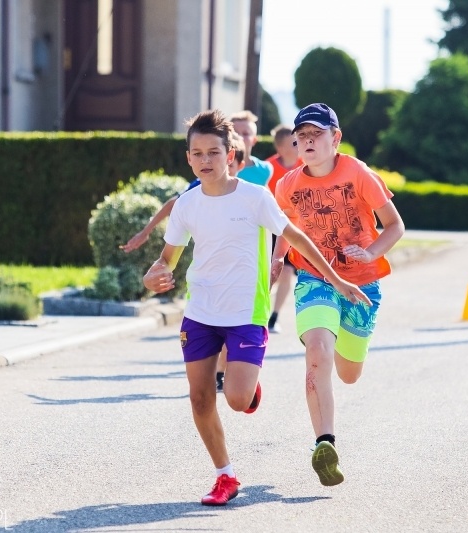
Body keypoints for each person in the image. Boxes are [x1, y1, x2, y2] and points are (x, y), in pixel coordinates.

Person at [143, 109, 369, 506]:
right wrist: (154, 276)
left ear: (231, 154)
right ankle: (224, 475)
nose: (205, 161)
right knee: (199, 398)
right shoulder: (187, 205)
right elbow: (167, 259)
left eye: (213, 152)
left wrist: (337, 279)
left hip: (246, 314)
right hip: (200, 312)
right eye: (196, 153)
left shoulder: (255, 198)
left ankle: (246, 389)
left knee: (237, 399)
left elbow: (297, 238)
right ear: (188, 158)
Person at [272, 103, 405, 487]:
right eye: (303, 136)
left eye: (317, 134)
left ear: (336, 138)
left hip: (362, 284)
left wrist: (372, 252)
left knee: (348, 373)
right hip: (315, 278)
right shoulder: (288, 185)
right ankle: (324, 443)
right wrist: (279, 257)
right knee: (316, 350)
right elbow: (287, 227)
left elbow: (395, 226)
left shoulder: (358, 174)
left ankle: (346, 363)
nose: (308, 142)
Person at [123, 133, 248, 392]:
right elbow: (174, 204)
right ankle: (219, 373)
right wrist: (146, 232)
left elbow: (281, 227)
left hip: (240, 282)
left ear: (235, 161)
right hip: (205, 272)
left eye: (218, 155)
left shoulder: (249, 195)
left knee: (232, 330)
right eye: (201, 154)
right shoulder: (198, 189)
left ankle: (230, 373)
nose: (210, 162)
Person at [265, 124, 302, 333]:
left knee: (288, 271)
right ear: (280, 148)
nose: (299, 145)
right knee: (269, 272)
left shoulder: (306, 166)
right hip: (270, 228)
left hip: (293, 229)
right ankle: (260, 311)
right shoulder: (268, 169)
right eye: (294, 143)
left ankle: (274, 317)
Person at [230, 110, 273, 187]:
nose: (239, 137)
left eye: (245, 134)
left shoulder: (264, 170)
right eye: (235, 133)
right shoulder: (220, 167)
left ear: (254, 140)